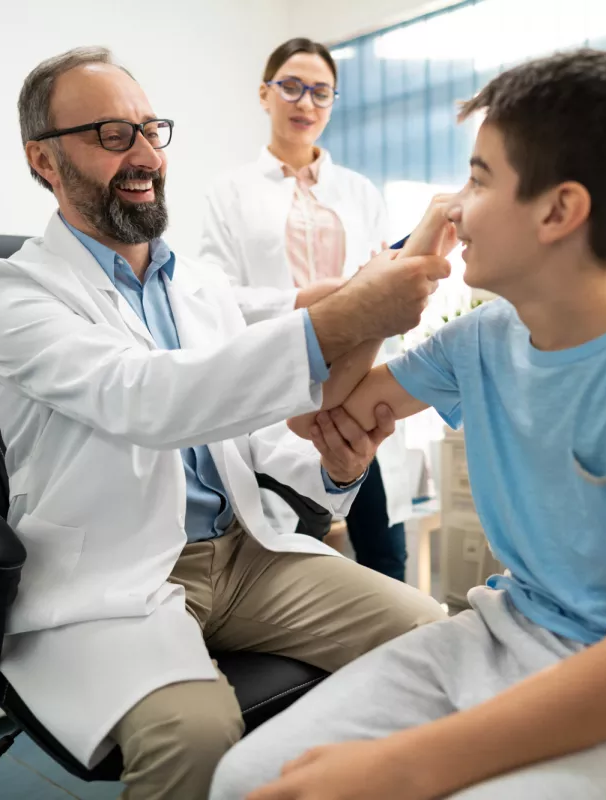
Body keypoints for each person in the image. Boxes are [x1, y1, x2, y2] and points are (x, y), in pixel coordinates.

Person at [209, 49, 606, 800]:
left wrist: (402, 766)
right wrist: (403, 270)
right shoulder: (481, 339)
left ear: (559, 211)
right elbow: (317, 415)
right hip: (503, 631)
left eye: (479, 178)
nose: (454, 205)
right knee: (247, 778)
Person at [0, 46, 450, 800]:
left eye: (150, 130)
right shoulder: (13, 293)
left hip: (244, 552)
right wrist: (348, 314)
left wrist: (336, 465)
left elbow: (254, 427)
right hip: (123, 574)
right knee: (194, 737)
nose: (145, 154)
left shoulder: (195, 284)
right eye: (110, 134)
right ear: (44, 160)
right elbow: (147, 397)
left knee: (441, 642)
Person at [197, 38, 413, 582]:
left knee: (385, 553)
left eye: (320, 92)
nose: (305, 103)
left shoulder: (360, 193)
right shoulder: (231, 193)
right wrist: (299, 301)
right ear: (265, 94)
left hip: (357, 384)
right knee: (291, 558)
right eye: (291, 87)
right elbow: (211, 297)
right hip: (278, 388)